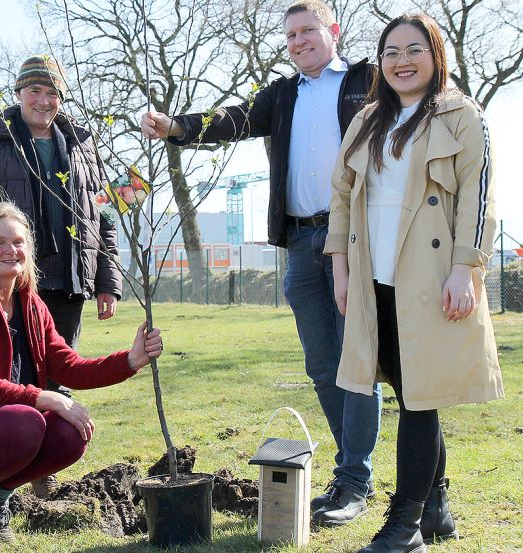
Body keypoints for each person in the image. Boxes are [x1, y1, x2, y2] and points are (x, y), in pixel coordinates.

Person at [139, 0, 380, 526]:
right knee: (321, 366)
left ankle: (355, 481)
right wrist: (176, 126)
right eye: (290, 35)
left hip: (356, 241)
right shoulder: (282, 94)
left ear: (332, 31)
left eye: (307, 31)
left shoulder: (369, 80)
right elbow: (232, 120)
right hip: (299, 243)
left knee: (358, 363)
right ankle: (352, 473)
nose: (298, 42)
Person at [326, 12, 504, 552]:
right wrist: (341, 269)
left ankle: (404, 526)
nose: (402, 61)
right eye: (391, 52)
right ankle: (438, 510)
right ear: (380, 62)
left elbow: (479, 197)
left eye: (414, 49)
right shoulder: (366, 121)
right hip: (373, 277)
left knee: (420, 399)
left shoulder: (462, 116)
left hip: (430, 277)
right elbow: (340, 197)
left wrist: (464, 268)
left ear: (436, 54)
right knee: (410, 392)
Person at [0, 202, 162, 553]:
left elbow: (68, 366)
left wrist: (130, 361)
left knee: (70, 433)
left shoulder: (32, 305)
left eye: (18, 242)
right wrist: (50, 398)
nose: (11, 250)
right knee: (27, 421)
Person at [0, 53, 123, 498]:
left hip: (68, 279)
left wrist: (107, 281)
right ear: (19, 94)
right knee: (6, 375)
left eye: (52, 93)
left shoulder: (83, 146)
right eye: (35, 91)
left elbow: (102, 217)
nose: (43, 101)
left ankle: (40, 476)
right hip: (8, 283)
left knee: (57, 374)